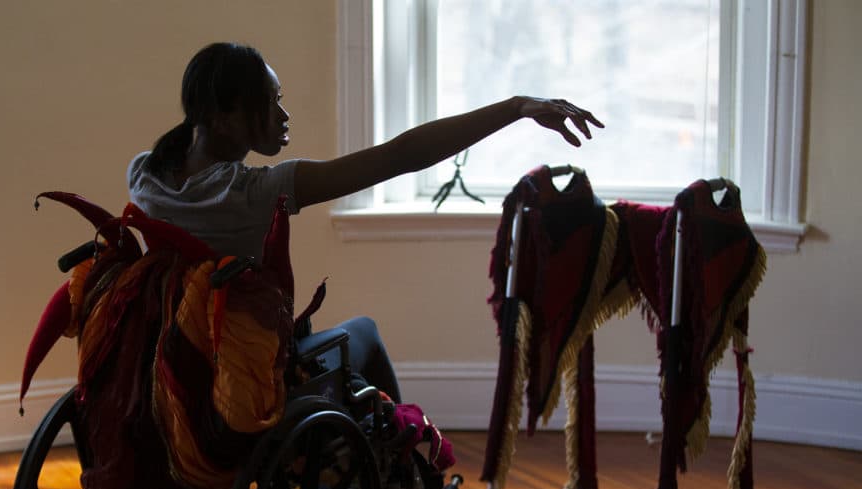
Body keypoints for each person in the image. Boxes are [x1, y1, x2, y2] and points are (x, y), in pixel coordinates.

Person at [128, 42, 602, 403]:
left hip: (173, 352)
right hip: (241, 360)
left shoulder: (145, 174)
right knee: (366, 333)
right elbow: (401, 156)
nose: (284, 114)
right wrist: (515, 107)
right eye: (271, 103)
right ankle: (411, 474)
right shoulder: (252, 194)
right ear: (224, 118)